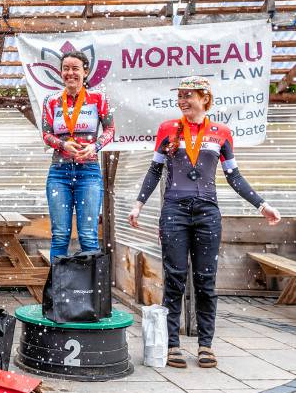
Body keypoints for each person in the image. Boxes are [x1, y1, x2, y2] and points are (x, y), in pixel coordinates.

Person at [128, 76, 281, 369]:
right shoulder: (167, 129)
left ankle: (205, 344)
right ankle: (172, 344)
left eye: (189, 95)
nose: (183, 100)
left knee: (206, 281)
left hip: (207, 212)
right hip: (174, 211)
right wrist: (138, 205)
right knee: (174, 278)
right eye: (180, 96)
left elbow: (234, 176)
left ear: (205, 99)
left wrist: (262, 205)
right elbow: (154, 171)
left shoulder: (221, 132)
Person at [42, 51, 114, 261]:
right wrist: (63, 143)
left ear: (85, 71)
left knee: (88, 236)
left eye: (75, 68)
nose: (70, 73)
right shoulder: (52, 100)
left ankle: (90, 292)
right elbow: (46, 134)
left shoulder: (98, 98)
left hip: (88, 171)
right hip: (59, 172)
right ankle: (58, 289)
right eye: (66, 68)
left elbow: (110, 130)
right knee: (60, 235)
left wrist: (95, 146)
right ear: (60, 71)